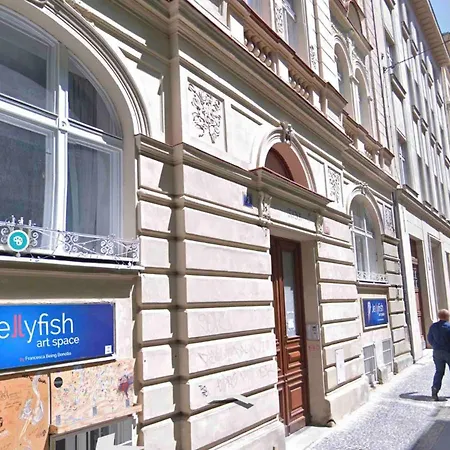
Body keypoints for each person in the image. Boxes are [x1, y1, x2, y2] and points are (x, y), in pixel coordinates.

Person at [427, 309, 450, 400]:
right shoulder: (449, 326)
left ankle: (435, 388)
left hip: (437, 352)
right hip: (448, 351)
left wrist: (435, 345)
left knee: (439, 372)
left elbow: (429, 338)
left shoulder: (433, 326)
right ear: (447, 317)